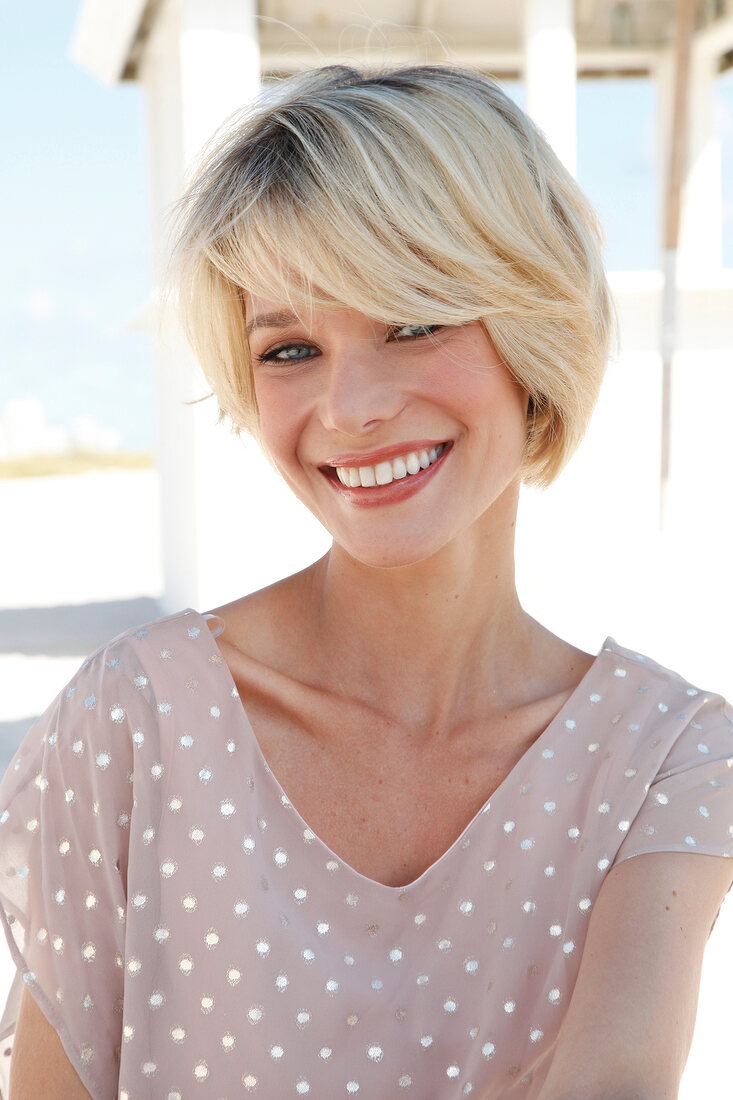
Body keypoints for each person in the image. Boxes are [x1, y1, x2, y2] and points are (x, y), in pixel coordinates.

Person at [0, 63, 731, 1100]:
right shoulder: (131, 723)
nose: (347, 406)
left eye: (412, 319)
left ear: (532, 326)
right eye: (291, 346)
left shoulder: (668, 758)